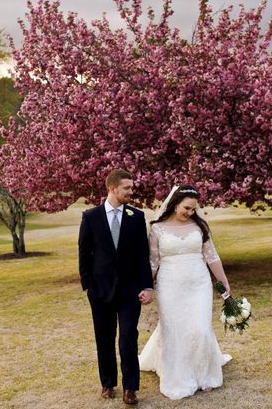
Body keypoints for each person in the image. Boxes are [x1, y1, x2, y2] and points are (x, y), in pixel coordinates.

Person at [138, 184, 232, 400]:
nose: (189, 213)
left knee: (200, 328)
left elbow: (212, 256)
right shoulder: (157, 229)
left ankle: (204, 375)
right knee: (176, 331)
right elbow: (153, 262)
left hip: (199, 284)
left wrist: (223, 282)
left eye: (193, 209)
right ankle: (179, 377)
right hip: (169, 285)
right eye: (186, 208)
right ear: (175, 204)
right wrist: (147, 285)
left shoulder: (200, 227)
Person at [78, 169, 154, 405]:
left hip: (130, 290)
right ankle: (108, 383)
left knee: (128, 336)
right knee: (104, 337)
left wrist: (147, 286)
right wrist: (88, 285)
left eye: (132, 188)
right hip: (100, 290)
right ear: (112, 188)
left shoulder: (136, 216)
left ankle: (130, 388)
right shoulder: (90, 217)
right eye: (127, 188)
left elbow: (143, 255)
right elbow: (84, 252)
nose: (132, 192)